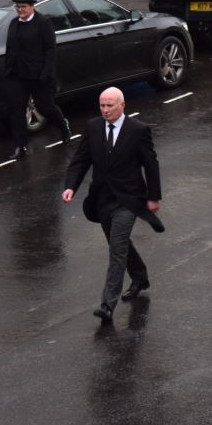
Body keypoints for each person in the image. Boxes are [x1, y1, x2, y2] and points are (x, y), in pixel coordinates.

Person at [62, 87, 163, 324]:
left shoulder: (138, 131)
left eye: (110, 105)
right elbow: (81, 160)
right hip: (102, 200)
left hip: (129, 200)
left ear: (122, 105)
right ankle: (140, 276)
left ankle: (107, 304)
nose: (105, 110)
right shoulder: (93, 127)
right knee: (119, 242)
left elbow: (151, 164)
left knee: (117, 250)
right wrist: (71, 186)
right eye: (102, 105)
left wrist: (153, 197)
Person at [5, 0, 70, 160]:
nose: (20, 10)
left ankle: (62, 125)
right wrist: (8, 69)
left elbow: (50, 50)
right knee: (16, 110)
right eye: (17, 6)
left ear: (32, 6)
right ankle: (20, 146)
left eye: (23, 6)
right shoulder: (14, 23)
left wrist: (45, 74)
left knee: (45, 107)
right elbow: (10, 48)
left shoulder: (43, 23)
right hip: (17, 75)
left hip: (38, 75)